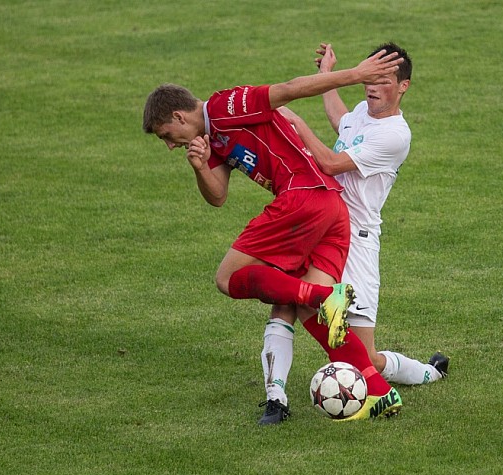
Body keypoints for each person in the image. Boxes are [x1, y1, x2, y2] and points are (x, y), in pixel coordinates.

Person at [142, 49, 404, 423]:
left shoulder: (224, 106)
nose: (170, 145)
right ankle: (379, 391)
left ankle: (323, 296)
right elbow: (217, 196)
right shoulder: (213, 135)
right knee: (311, 313)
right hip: (332, 209)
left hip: (303, 198)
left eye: (168, 135)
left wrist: (354, 73)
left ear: (178, 116)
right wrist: (199, 167)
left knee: (227, 277)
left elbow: (290, 89)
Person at [257, 43, 450, 425]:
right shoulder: (363, 111)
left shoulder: (396, 135)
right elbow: (342, 123)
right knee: (285, 301)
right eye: (368, 75)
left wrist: (297, 124)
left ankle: (428, 372)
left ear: (404, 86)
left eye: (382, 80)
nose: (371, 85)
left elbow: (329, 162)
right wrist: (330, 76)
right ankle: (275, 399)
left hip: (356, 242)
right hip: (318, 226)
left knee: (364, 358)